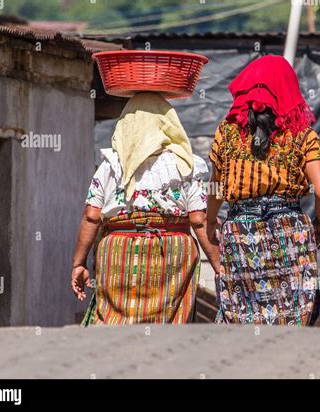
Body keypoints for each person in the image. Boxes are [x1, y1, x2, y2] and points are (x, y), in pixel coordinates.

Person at [71, 92, 220, 325]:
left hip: (118, 252)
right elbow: (199, 220)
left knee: (115, 324)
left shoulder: (110, 166)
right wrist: (218, 265)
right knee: (168, 326)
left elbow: (91, 217)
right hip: (172, 253)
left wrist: (78, 264)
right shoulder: (187, 165)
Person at [206, 55, 320, 326]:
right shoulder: (302, 135)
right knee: (291, 317)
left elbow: (216, 186)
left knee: (243, 316)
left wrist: (210, 221)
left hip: (240, 233)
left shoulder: (226, 134)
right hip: (291, 233)